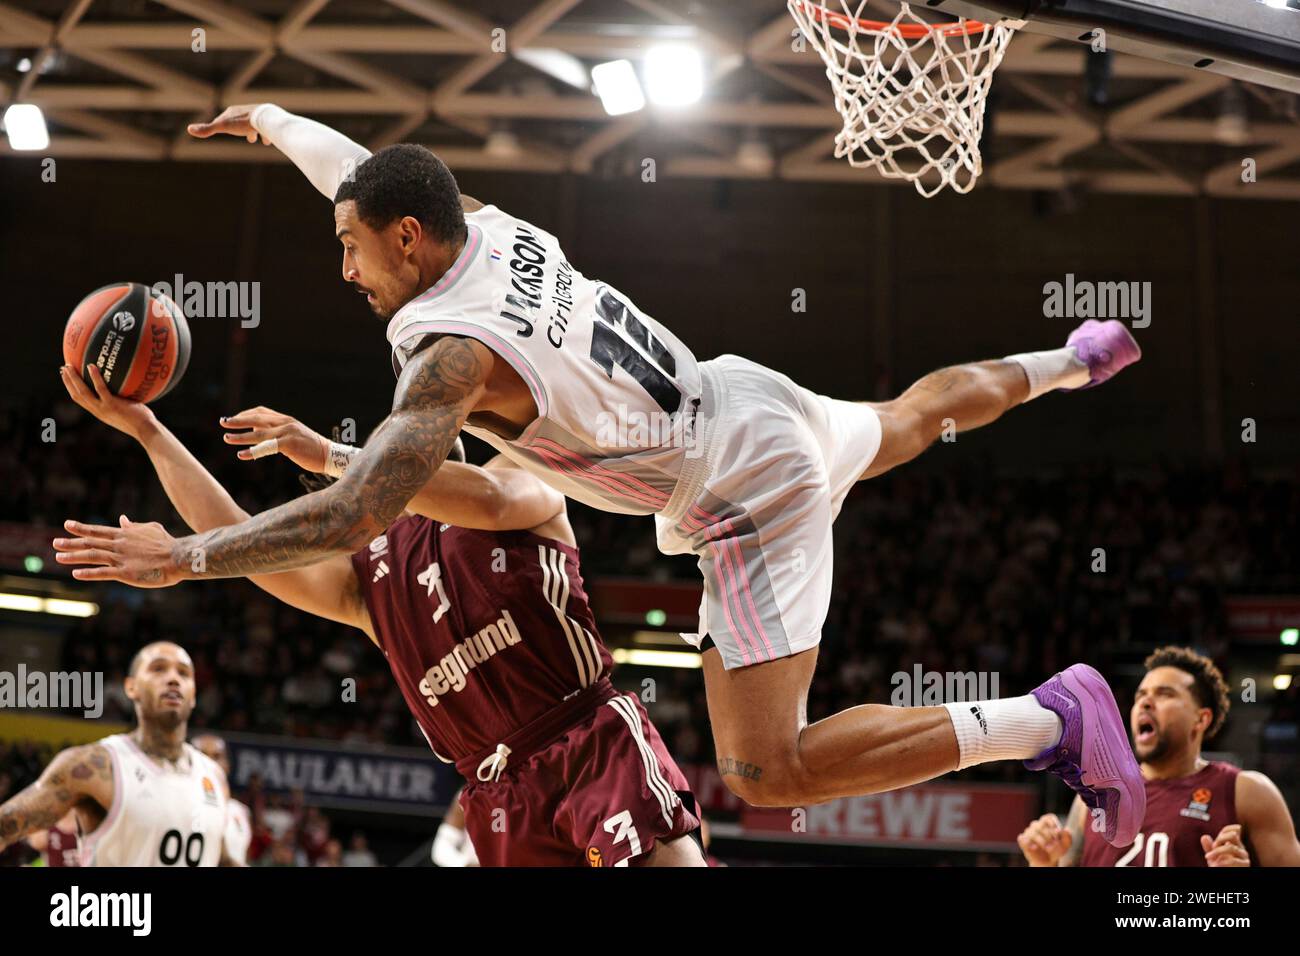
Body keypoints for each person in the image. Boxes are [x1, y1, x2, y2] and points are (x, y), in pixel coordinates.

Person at [57, 103, 1149, 846]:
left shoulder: (451, 356)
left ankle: (1048, 720)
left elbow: (360, 510)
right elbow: (358, 167)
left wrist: (185, 556)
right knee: (913, 418)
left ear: (405, 238)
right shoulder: (479, 224)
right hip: (739, 391)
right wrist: (271, 121)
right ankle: (1072, 359)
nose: (343, 267)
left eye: (351, 246)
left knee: (766, 769)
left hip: (742, 494)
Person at [54, 365, 703, 866]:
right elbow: (239, 537)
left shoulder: (521, 480)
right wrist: (147, 431)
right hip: (496, 792)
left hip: (586, 740)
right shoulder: (365, 585)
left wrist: (336, 457)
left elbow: (487, 495)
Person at [1017, 646, 1300, 867]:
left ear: (1201, 719)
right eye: (1141, 695)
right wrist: (1044, 862)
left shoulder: (1247, 791)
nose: (1145, 702)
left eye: (1164, 694)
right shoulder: (1091, 795)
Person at [0, 641, 237, 866]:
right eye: (158, 669)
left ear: (194, 695)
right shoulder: (93, 766)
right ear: (131, 687)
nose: (173, 679)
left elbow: (220, 857)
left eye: (184, 673)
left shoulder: (214, 776)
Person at [193, 734, 253, 867]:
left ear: (227, 764)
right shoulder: (184, 805)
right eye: (203, 755)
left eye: (217, 756)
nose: (210, 762)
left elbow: (243, 856)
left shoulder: (241, 810)